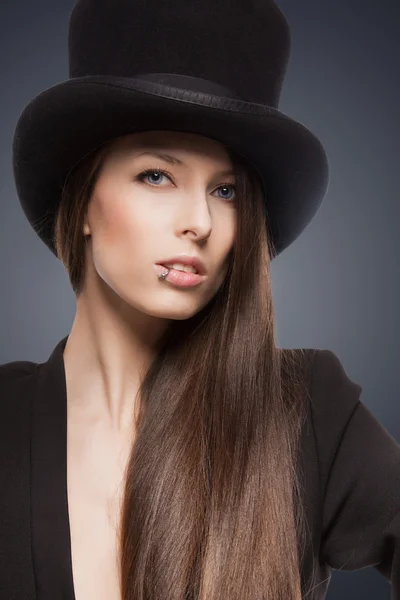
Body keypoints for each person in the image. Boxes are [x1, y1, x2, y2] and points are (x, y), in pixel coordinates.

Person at [1, 1, 399, 599]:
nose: (200, 221)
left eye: (227, 189)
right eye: (157, 175)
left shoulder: (307, 411)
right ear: (82, 201)